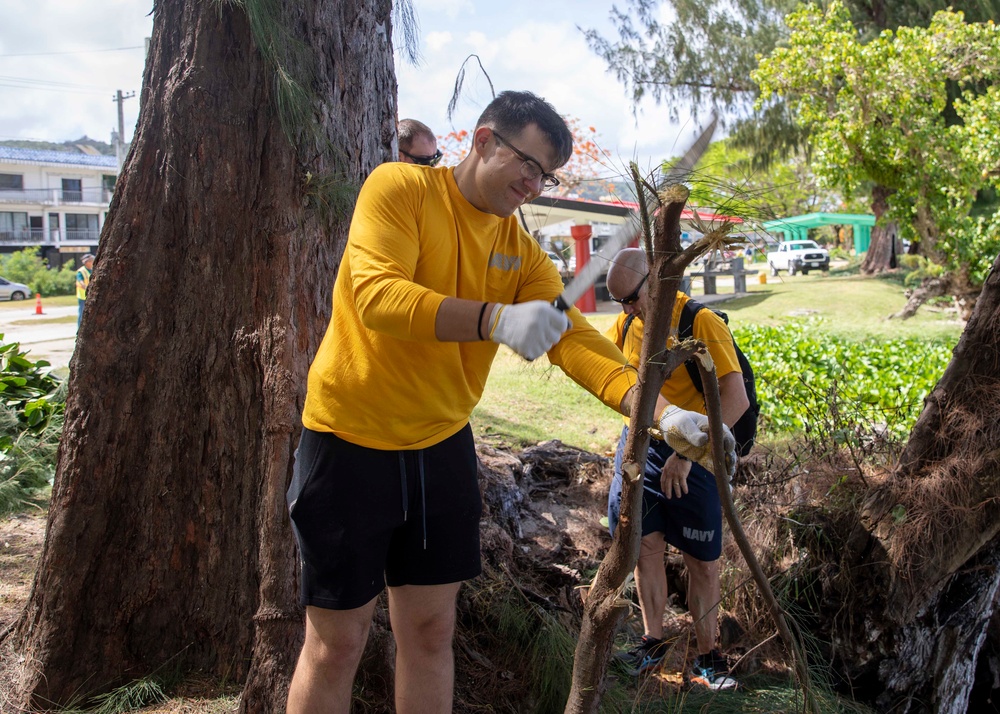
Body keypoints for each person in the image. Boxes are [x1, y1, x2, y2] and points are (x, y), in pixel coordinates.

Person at [284, 91, 735, 714]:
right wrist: (495, 319)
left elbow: (572, 341)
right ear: (483, 140)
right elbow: (379, 297)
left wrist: (663, 414)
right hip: (349, 443)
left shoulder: (519, 251)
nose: (535, 181)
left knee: (430, 633)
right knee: (337, 643)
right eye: (529, 163)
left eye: (546, 174)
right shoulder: (400, 190)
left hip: (440, 448)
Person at [605, 247, 748, 690]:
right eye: (620, 302)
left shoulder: (700, 323)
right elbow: (614, 373)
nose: (628, 308)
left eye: (632, 297)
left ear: (658, 281)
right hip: (643, 448)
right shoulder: (629, 324)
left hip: (700, 452)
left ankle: (709, 657)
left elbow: (736, 400)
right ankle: (652, 643)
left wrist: (686, 453)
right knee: (643, 547)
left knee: (701, 562)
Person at [75, 253, 94, 326]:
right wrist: (88, 289)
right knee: (82, 314)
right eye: (91, 261)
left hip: (91, 296)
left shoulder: (92, 270)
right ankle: (79, 329)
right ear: (87, 262)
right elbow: (81, 282)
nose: (92, 262)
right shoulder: (81, 271)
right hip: (83, 296)